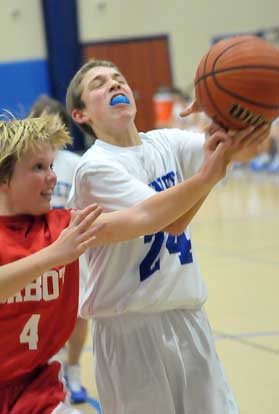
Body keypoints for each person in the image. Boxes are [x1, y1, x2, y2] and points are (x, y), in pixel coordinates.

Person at [0, 111, 246, 413]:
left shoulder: (66, 227)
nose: (53, 176)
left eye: (51, 165)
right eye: (38, 168)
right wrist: (52, 256)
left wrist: (208, 175)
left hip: (37, 390)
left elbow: (145, 216)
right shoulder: (58, 243)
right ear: (3, 179)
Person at [66, 58, 270, 414]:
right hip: (129, 333)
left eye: (119, 78)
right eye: (99, 83)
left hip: (189, 319)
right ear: (81, 114)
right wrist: (209, 175)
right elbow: (161, 218)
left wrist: (234, 113)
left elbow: (239, 148)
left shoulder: (167, 142)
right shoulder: (94, 169)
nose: (114, 84)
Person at [30, 95, 89, 404]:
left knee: (80, 316)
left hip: (72, 253)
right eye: (42, 119)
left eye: (55, 121)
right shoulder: (21, 165)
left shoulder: (75, 165)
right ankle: (44, 375)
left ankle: (74, 369)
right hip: (35, 255)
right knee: (41, 320)